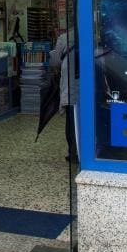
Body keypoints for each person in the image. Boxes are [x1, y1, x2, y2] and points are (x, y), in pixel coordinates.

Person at [49, 28, 79, 163]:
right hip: (86, 89)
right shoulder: (93, 35)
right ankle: (87, 151)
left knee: (72, 122)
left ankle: (73, 153)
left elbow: (55, 61)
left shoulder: (64, 38)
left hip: (71, 88)